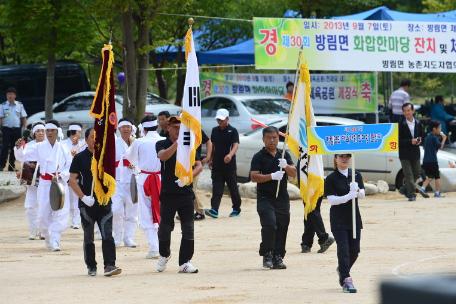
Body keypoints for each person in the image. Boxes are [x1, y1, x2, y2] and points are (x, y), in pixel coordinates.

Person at [69, 128, 121, 277]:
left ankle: (110, 265)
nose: (95, 140)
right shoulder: (79, 158)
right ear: (86, 140)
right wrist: (83, 197)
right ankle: (91, 265)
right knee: (89, 237)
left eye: (98, 137)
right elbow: (72, 181)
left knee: (107, 235)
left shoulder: (105, 157)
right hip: (87, 204)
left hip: (104, 202)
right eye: (92, 137)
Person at [15, 120, 71, 251]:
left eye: (52, 131)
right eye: (48, 131)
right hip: (45, 184)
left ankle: (55, 239)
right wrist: (19, 148)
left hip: (60, 183)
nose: (50, 133)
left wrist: (61, 175)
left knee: (60, 212)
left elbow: (70, 165)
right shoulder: (39, 147)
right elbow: (23, 156)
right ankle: (47, 236)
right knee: (42, 215)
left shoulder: (63, 147)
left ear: (57, 132)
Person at [155, 116, 202, 273]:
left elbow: (199, 165)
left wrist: (188, 177)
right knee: (165, 228)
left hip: (186, 193)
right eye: (175, 127)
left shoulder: (191, 145)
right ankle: (164, 254)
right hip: (168, 194)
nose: (178, 130)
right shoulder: (162, 143)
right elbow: (162, 156)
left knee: (188, 228)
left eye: (181, 128)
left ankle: (185, 262)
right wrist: (178, 143)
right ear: (168, 128)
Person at [250, 126, 296, 269]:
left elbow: (294, 173)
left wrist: (286, 166)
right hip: (265, 197)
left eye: (274, 138)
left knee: (282, 226)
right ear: (263, 139)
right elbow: (253, 176)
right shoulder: (259, 156)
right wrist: (271, 176)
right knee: (270, 224)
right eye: (268, 138)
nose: (272, 140)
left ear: (278, 138)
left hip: (281, 197)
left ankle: (278, 256)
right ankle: (267, 253)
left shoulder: (284, 155)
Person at [124, 115, 164, 259]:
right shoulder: (163, 140)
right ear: (156, 126)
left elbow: (129, 158)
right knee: (161, 210)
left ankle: (154, 247)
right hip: (161, 179)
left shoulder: (139, 142)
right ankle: (161, 246)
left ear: (143, 128)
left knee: (146, 212)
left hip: (145, 179)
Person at [325, 154, 365, 293]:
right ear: (335, 159)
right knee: (343, 249)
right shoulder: (331, 178)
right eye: (341, 156)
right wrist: (348, 196)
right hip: (338, 219)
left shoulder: (356, 175)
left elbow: (363, 194)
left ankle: (343, 269)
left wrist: (357, 190)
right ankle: (346, 279)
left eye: (347, 156)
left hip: (354, 218)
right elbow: (331, 200)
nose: (345, 159)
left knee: (355, 250)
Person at [205, 108, 242, 218]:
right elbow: (213, 145)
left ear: (227, 119)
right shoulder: (214, 130)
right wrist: (211, 158)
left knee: (233, 187)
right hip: (217, 164)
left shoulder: (233, 131)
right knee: (217, 188)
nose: (220, 122)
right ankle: (214, 209)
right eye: (218, 120)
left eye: (222, 120)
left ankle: (236, 208)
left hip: (229, 165)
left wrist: (230, 155)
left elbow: (236, 144)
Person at [14, 122, 46, 240]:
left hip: (46, 180)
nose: (41, 133)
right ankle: (33, 231)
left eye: (42, 130)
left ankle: (43, 231)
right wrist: (18, 147)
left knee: (44, 206)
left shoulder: (51, 145)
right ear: (34, 133)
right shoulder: (29, 145)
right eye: (38, 131)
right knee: (30, 207)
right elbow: (20, 158)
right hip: (31, 181)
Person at [112, 118, 138, 248]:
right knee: (116, 210)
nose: (126, 129)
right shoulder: (114, 143)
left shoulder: (136, 143)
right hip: (117, 181)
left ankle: (129, 237)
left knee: (132, 211)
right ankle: (117, 237)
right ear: (119, 129)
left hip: (133, 180)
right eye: (123, 127)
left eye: (128, 126)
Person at [398, 103, 428, 201]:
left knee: (416, 173)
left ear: (413, 111)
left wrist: (419, 140)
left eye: (408, 110)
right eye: (405, 111)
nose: (407, 113)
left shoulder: (419, 123)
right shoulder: (400, 124)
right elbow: (397, 140)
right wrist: (410, 141)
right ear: (403, 112)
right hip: (404, 153)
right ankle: (411, 194)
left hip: (415, 152)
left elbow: (423, 136)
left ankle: (403, 189)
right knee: (408, 175)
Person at [62, 123, 86, 229]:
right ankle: (65, 220)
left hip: (77, 174)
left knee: (76, 197)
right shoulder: (62, 144)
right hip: (65, 174)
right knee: (66, 198)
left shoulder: (82, 144)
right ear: (74, 132)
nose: (80, 134)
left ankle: (76, 221)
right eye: (79, 132)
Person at [0, 87, 27, 171]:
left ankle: (11, 166)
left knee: (14, 147)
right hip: (6, 129)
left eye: (12, 94)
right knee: (4, 147)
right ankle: (1, 165)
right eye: (8, 94)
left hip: (16, 129)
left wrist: (24, 128)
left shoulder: (20, 105)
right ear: (6, 95)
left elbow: (23, 118)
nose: (10, 96)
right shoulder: (2, 105)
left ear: (15, 95)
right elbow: (0, 118)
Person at [419, 120, 447, 198]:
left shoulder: (427, 137)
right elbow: (440, 146)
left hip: (425, 161)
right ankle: (437, 193)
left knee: (430, 176)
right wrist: (444, 138)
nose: (440, 130)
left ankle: (422, 188)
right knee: (437, 176)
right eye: (439, 128)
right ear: (434, 129)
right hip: (433, 161)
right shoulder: (434, 138)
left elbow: (425, 147)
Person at [193, 130, 212, 220]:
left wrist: (208, 156)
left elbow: (208, 141)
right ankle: (186, 212)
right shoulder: (177, 128)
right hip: (182, 166)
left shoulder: (196, 128)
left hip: (195, 164)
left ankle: (200, 212)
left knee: (190, 190)